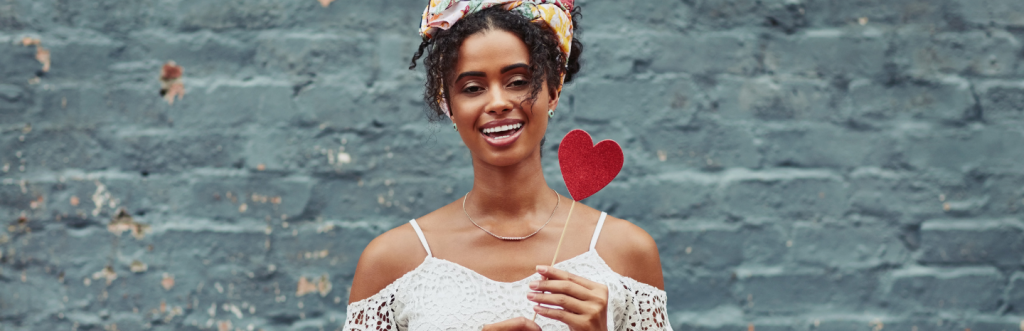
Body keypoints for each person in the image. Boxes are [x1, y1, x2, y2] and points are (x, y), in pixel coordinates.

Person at [343, 1, 672, 330]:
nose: (498, 103)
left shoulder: (628, 252)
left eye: (517, 82)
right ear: (449, 107)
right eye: (473, 88)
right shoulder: (390, 262)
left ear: (553, 92)